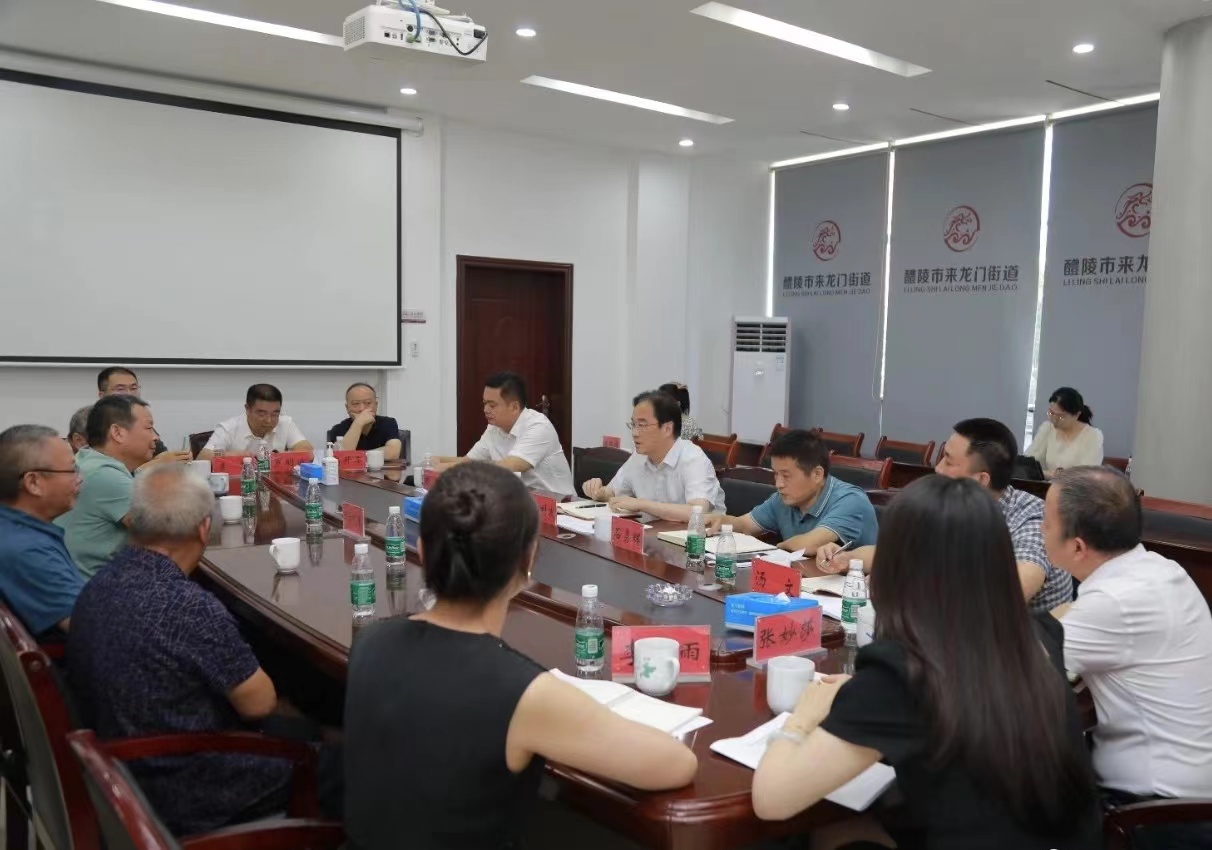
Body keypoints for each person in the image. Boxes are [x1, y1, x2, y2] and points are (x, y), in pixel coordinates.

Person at [343, 462, 697, 850]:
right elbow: (677, 764)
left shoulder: (370, 641)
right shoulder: (523, 692)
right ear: (528, 562)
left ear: (423, 551)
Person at [752, 475, 1102, 850]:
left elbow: (772, 800)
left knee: (812, 834)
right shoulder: (1038, 635)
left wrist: (804, 716)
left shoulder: (903, 670)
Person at [68, 465, 294, 836]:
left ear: (134, 521)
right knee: (339, 765)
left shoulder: (100, 582)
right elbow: (259, 704)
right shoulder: (190, 607)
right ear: (204, 528)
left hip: (120, 771)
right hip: (190, 788)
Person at [1044, 467, 1212, 849]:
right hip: (1190, 794)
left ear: (1077, 547)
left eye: (1046, 522)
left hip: (1154, 817)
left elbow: (1014, 664)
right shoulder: (1159, 569)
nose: (1040, 529)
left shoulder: (1113, 601)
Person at [818, 418, 1073, 613]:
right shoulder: (948, 507)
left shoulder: (1032, 519)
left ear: (980, 479)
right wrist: (847, 559)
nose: (938, 468)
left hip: (1021, 653)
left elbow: (1006, 595)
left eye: (949, 462)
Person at [705, 429, 877, 556]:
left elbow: (809, 544)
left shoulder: (850, 501)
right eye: (775, 474)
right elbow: (745, 525)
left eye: (786, 476)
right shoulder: (783, 498)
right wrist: (724, 521)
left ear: (817, 474)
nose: (778, 484)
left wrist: (776, 549)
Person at [57, 395, 160, 577]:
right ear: (117, 433)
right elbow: (165, 532)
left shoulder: (89, 460)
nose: (156, 437)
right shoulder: (105, 475)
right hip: (88, 588)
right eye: (149, 428)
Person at [582, 390, 725, 521]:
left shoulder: (693, 459)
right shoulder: (638, 457)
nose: (634, 433)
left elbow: (697, 512)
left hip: (699, 538)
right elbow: (613, 492)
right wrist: (598, 492)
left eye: (642, 425)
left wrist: (642, 504)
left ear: (667, 428)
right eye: (633, 425)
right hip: (654, 534)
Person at [0, 426, 85, 637]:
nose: (80, 478)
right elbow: (97, 630)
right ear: (34, 482)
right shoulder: (28, 550)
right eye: (72, 469)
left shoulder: (15, 530)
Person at [432, 372, 574, 496]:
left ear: (514, 407)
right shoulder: (494, 428)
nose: (486, 410)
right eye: (484, 403)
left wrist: (447, 468)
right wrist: (435, 461)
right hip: (524, 503)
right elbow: (468, 461)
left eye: (492, 405)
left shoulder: (538, 426)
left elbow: (509, 466)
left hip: (561, 507)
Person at [96, 366, 190, 461]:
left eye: (133, 388)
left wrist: (176, 458)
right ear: (102, 395)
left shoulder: (141, 419)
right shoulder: (93, 423)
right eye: (120, 389)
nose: (129, 394)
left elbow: (161, 454)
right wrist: (156, 464)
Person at [197, 384, 313, 460]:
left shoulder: (285, 423)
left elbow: (308, 453)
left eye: (275, 414)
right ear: (247, 409)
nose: (269, 420)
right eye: (262, 414)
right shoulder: (229, 428)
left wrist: (278, 457)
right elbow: (202, 457)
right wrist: (236, 455)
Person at [1026, 387, 1104, 478]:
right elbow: (1028, 464)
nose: (1053, 419)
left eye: (1060, 416)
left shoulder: (1092, 436)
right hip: (1047, 485)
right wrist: (1053, 475)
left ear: (1077, 415)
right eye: (1051, 413)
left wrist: (1048, 475)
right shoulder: (1047, 428)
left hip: (1074, 487)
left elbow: (1086, 476)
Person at [326, 383, 402, 460]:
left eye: (368, 403)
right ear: (347, 407)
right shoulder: (338, 429)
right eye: (355, 403)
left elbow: (392, 452)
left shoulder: (388, 423)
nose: (361, 409)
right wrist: (358, 423)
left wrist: (358, 456)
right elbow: (341, 456)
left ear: (376, 405)